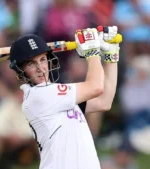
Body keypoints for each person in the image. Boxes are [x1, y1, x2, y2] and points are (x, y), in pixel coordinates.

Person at [8, 26, 120, 169]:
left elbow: (104, 102)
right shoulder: (39, 96)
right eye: (31, 63)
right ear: (20, 71)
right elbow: (95, 87)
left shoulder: (59, 96)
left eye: (42, 59)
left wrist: (111, 55)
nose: (40, 68)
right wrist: (92, 52)